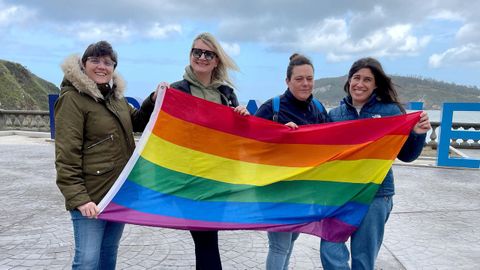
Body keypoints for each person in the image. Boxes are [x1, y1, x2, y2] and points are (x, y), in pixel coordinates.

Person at [54, 40, 158, 269]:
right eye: (95, 61)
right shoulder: (72, 99)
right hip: (90, 197)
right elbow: (66, 155)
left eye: (108, 62)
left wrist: (152, 100)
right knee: (87, 261)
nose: (102, 66)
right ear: (83, 64)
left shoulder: (115, 98)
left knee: (108, 256)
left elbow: (138, 121)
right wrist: (80, 199)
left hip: (116, 194)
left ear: (114, 68)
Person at [320, 57, 431, 270]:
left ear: (376, 84)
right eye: (356, 78)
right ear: (349, 80)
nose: (360, 84)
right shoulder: (335, 115)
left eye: (367, 80)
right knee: (330, 249)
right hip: (340, 194)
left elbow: (407, 155)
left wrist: (417, 134)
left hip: (377, 195)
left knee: (363, 258)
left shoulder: (390, 112)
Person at [169, 32, 249, 270]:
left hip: (218, 179)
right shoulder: (177, 90)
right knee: (206, 239)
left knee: (207, 239)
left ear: (216, 61)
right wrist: (154, 99)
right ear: (190, 55)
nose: (202, 57)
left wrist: (243, 119)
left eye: (208, 54)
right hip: (189, 180)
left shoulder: (226, 94)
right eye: (197, 52)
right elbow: (163, 130)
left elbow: (237, 138)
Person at [255, 53, 329, 270]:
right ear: (287, 81)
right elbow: (249, 143)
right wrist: (278, 135)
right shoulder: (273, 108)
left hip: (304, 189)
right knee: (279, 245)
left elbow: (331, 140)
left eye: (309, 78)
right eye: (299, 79)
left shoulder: (318, 108)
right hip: (276, 189)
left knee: (291, 241)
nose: (305, 83)